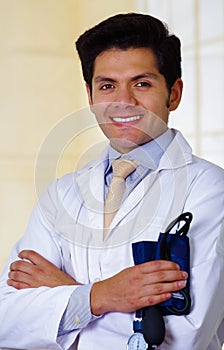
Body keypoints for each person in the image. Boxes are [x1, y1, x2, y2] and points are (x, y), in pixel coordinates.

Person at [0, 12, 223, 350]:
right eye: (107, 86)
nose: (124, 101)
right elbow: (7, 320)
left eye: (142, 83)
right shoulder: (62, 194)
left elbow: (183, 339)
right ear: (90, 97)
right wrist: (99, 296)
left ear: (173, 94)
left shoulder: (209, 190)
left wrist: (65, 299)